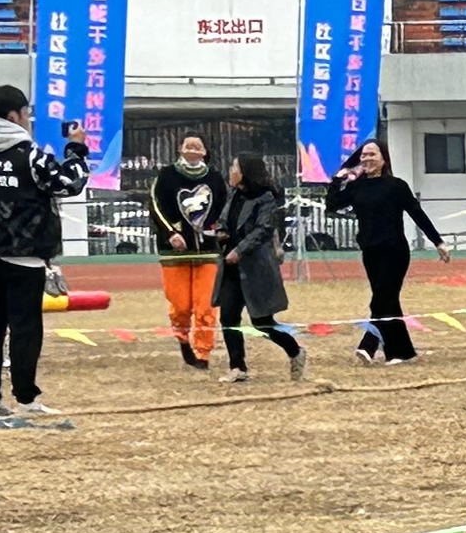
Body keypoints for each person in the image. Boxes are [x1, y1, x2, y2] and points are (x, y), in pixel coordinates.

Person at [0, 85, 86, 415]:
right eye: (25, 114)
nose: (28, 120)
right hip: (26, 259)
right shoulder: (31, 156)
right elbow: (71, 183)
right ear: (13, 116)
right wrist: (76, 149)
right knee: (25, 329)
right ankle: (26, 398)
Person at [327, 138, 446, 364]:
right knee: (389, 302)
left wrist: (437, 241)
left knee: (381, 300)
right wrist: (337, 179)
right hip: (370, 252)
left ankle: (368, 345)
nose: (367, 159)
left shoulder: (396, 186)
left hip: (395, 251)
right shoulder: (357, 186)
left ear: (383, 159)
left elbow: (416, 213)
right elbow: (332, 205)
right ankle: (402, 352)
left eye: (372, 154)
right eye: (364, 155)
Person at [215, 150, 306, 382]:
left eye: (235, 168)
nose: (231, 172)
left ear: (245, 172)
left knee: (262, 323)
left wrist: (240, 250)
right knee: (228, 317)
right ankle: (238, 367)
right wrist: (221, 233)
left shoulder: (266, 197)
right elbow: (225, 220)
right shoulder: (233, 194)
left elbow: (263, 229)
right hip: (230, 267)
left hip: (255, 266)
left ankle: (295, 351)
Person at [148, 133, 226, 373]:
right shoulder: (166, 176)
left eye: (198, 145)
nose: (193, 147)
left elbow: (223, 207)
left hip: (208, 253)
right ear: (180, 149)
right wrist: (171, 233)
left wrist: (220, 230)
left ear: (204, 151)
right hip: (175, 252)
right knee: (180, 306)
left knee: (206, 306)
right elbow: (155, 205)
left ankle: (203, 353)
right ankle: (183, 343)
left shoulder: (215, 177)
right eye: (188, 144)